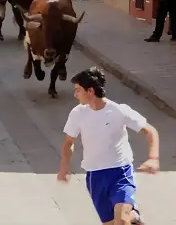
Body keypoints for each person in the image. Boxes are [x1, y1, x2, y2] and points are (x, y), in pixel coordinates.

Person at [57, 67, 159, 225]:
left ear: (90, 91)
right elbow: (69, 142)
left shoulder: (119, 110)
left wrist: (153, 158)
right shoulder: (77, 113)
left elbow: (151, 131)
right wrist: (64, 166)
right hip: (95, 176)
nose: (75, 94)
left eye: (78, 90)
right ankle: (133, 217)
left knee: (122, 221)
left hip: (120, 172)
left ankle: (132, 216)